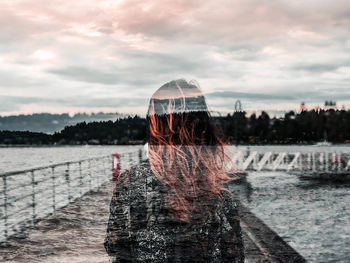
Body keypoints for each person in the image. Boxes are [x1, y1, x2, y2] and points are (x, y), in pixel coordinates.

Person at [104, 79, 244, 262]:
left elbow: (115, 247)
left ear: (156, 125)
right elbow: (234, 257)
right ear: (202, 127)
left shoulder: (130, 183)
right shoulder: (220, 195)